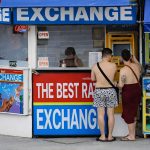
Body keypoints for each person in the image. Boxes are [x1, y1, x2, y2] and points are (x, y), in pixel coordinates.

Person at [91, 48, 118, 142]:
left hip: (99, 91)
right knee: (110, 114)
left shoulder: (95, 66)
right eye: (111, 56)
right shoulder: (113, 65)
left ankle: (102, 136)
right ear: (109, 55)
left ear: (102, 55)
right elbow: (113, 78)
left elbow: (93, 79)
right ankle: (110, 136)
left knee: (100, 115)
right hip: (110, 91)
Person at [118, 49, 141, 141]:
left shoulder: (123, 70)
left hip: (128, 91)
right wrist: (134, 59)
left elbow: (121, 85)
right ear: (130, 57)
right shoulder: (137, 66)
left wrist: (115, 83)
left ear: (121, 58)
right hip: (137, 89)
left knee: (128, 113)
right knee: (134, 112)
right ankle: (132, 134)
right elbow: (140, 66)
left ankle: (131, 136)